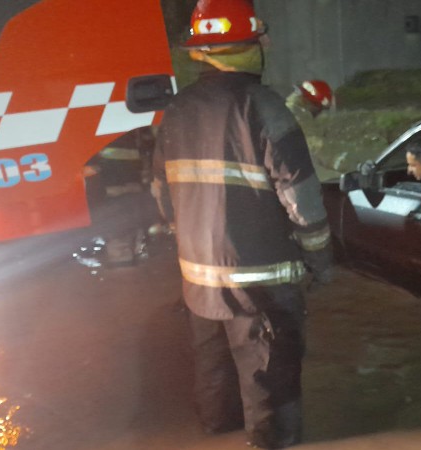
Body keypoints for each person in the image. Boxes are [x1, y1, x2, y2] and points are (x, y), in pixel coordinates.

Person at [152, 0, 332, 448]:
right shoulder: (264, 107)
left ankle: (217, 434)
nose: (267, 43)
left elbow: (161, 192)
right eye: (259, 37)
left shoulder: (176, 110)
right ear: (245, 47)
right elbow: (302, 197)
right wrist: (321, 257)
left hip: (198, 280)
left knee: (213, 376)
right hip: (262, 282)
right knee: (272, 379)